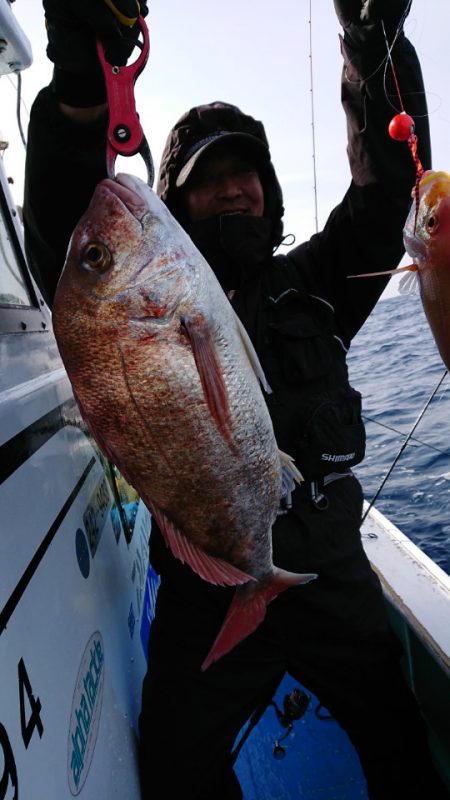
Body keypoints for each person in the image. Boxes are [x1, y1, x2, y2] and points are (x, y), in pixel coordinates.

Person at [22, 1, 449, 798]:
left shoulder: (317, 282)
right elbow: (65, 231)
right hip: (201, 586)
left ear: (270, 186)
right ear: (175, 207)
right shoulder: (143, 298)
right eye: (205, 182)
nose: (229, 192)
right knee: (180, 765)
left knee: (399, 748)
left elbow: (387, 184)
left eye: (242, 174)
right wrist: (86, 77)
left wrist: (369, 42)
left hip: (332, 577)